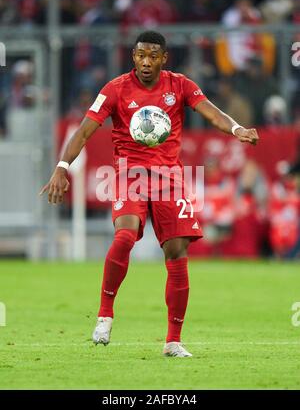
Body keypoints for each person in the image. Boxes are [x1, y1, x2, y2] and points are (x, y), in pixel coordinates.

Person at [40, 31, 259, 357]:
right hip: (130, 175)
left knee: (176, 254)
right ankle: (105, 314)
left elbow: (212, 112)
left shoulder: (179, 85)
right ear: (133, 56)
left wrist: (238, 129)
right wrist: (61, 166)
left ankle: (173, 341)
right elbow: (85, 129)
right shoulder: (115, 89)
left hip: (169, 178)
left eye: (152, 56)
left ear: (163, 58)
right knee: (125, 235)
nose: (146, 61)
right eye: (141, 55)